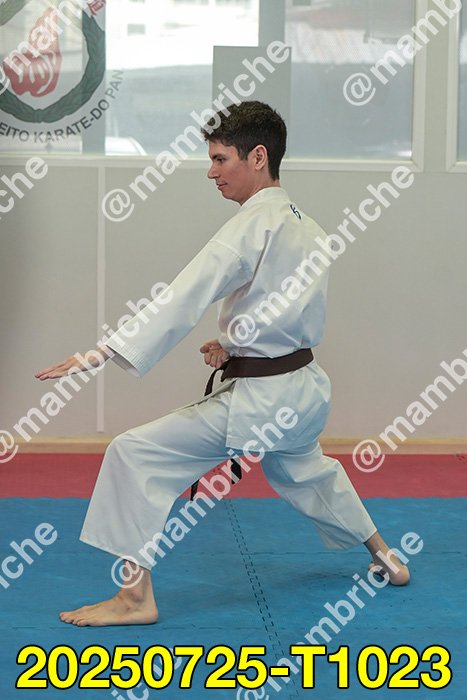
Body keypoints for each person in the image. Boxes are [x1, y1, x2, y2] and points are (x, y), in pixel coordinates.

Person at [36, 101, 409, 627]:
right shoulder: (308, 226)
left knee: (133, 454)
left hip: (261, 403)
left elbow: (186, 294)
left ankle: (134, 598)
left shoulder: (250, 225)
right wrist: (234, 346)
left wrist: (102, 352)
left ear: (258, 157)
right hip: (304, 392)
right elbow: (286, 312)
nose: (211, 172)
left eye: (220, 159)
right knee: (309, 472)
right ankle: (386, 557)